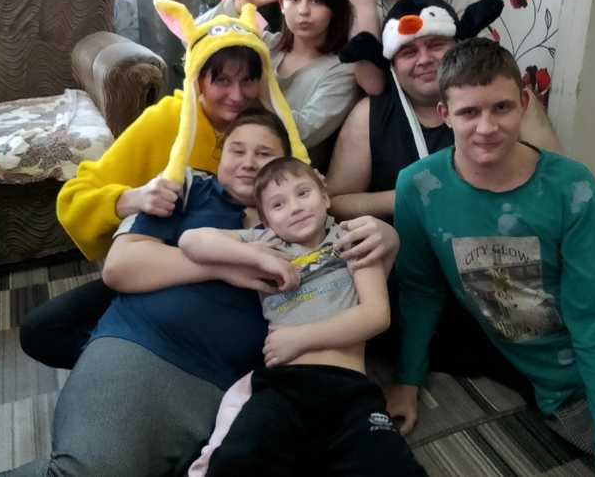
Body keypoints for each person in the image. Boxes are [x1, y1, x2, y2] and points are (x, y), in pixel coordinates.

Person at [4, 110, 398, 477]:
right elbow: (121, 268)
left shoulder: (302, 226)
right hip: (144, 342)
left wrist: (388, 235)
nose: (248, 162)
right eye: (236, 150)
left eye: (264, 154)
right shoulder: (190, 187)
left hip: (225, 383)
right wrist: (235, 265)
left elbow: (365, 282)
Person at [386, 38, 595, 476]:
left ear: (523, 104)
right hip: (560, 384)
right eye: (469, 112)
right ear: (445, 114)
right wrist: (407, 380)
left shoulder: (572, 187)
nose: (486, 127)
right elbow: (420, 290)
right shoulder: (417, 187)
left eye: (501, 107)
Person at [20, 2, 308, 370]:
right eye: (222, 80)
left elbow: (303, 200)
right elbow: (76, 195)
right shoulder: (165, 121)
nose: (237, 95)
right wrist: (132, 198)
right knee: (42, 330)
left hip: (236, 288)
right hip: (160, 265)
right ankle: (127, 362)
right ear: (198, 78)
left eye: (247, 80)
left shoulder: (270, 130)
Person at [326, 0, 560, 391]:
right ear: (391, 62)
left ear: (458, 45)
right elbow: (334, 202)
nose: (423, 59)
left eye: (435, 44)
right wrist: (415, 199)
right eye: (408, 51)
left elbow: (553, 185)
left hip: (496, 261)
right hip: (410, 267)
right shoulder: (369, 114)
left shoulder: (507, 104)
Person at [178, 157, 427, 477]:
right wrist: (255, 257)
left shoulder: (351, 238)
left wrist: (300, 338)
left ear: (324, 197)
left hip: (347, 391)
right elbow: (191, 241)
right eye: (278, 204)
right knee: (239, 459)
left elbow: (376, 315)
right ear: (265, 221)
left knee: (390, 467)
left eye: (303, 193)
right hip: (283, 388)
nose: (295, 208)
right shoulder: (264, 242)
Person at [199, 0, 360, 170]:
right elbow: (194, 40)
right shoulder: (264, 43)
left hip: (284, 177)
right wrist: (234, 7)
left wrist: (258, 84)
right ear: (282, 5)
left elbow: (302, 132)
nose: (304, 10)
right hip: (225, 162)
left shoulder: (341, 70)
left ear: (334, 10)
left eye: (317, 1)